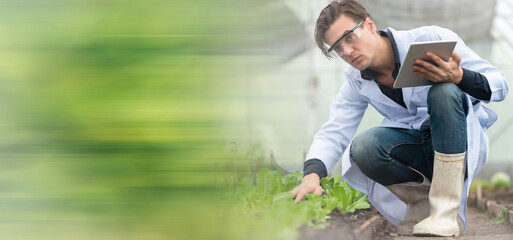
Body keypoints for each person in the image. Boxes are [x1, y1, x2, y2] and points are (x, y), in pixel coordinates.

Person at [289, 0, 508, 237]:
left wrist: (460, 76)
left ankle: (445, 212)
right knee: (364, 146)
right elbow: (335, 130)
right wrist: (312, 175)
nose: (347, 52)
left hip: (456, 143)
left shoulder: (429, 39)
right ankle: (423, 206)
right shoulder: (356, 80)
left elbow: (499, 84)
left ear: (370, 26)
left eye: (349, 37)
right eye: (337, 48)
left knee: (444, 91)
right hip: (415, 151)